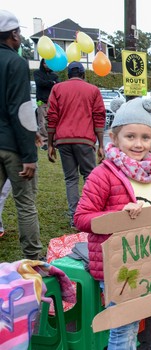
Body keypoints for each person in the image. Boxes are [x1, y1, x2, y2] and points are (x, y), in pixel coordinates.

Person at [74, 97, 151, 350]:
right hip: (115, 264)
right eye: (130, 136)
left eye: (145, 137)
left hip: (143, 260)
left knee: (132, 324)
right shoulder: (103, 174)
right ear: (115, 137)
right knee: (122, 328)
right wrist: (119, 214)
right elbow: (81, 218)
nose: (138, 143)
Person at [0, 10, 42, 259]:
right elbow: (22, 109)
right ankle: (34, 259)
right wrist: (29, 155)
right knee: (25, 204)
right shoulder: (15, 62)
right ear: (13, 35)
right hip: (13, 147)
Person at [46, 61, 106, 228]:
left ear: (68, 74)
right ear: (83, 74)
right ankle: (89, 213)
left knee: (70, 178)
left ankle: (75, 217)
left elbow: (52, 116)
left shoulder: (57, 89)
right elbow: (99, 117)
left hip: (63, 140)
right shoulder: (93, 90)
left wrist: (50, 144)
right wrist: (101, 145)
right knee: (89, 177)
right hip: (85, 140)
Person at [34, 58, 59, 150]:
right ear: (42, 64)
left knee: (52, 123)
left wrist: (50, 83)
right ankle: (44, 142)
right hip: (42, 102)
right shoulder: (37, 73)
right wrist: (51, 83)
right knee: (42, 122)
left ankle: (53, 142)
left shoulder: (54, 75)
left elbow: (58, 85)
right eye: (45, 63)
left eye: (48, 63)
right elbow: (40, 83)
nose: (46, 65)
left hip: (52, 103)